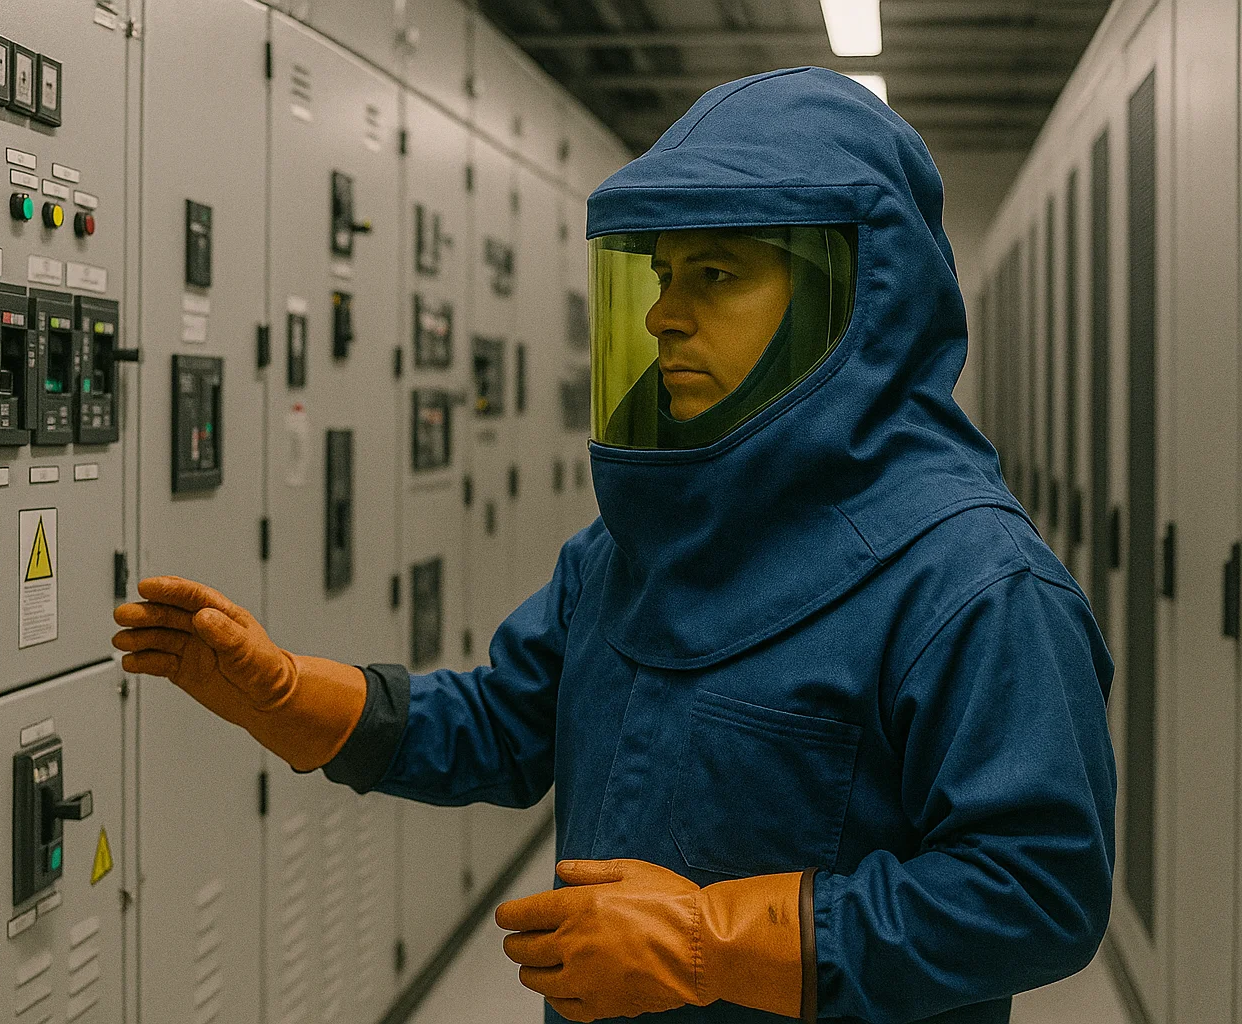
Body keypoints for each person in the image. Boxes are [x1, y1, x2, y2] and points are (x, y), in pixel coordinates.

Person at [113, 67, 1116, 1024]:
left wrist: (713, 939)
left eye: (716, 276)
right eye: (662, 274)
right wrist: (290, 695)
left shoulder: (972, 584)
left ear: (848, 296)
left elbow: (1035, 887)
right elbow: (503, 722)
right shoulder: (640, 541)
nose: (665, 317)